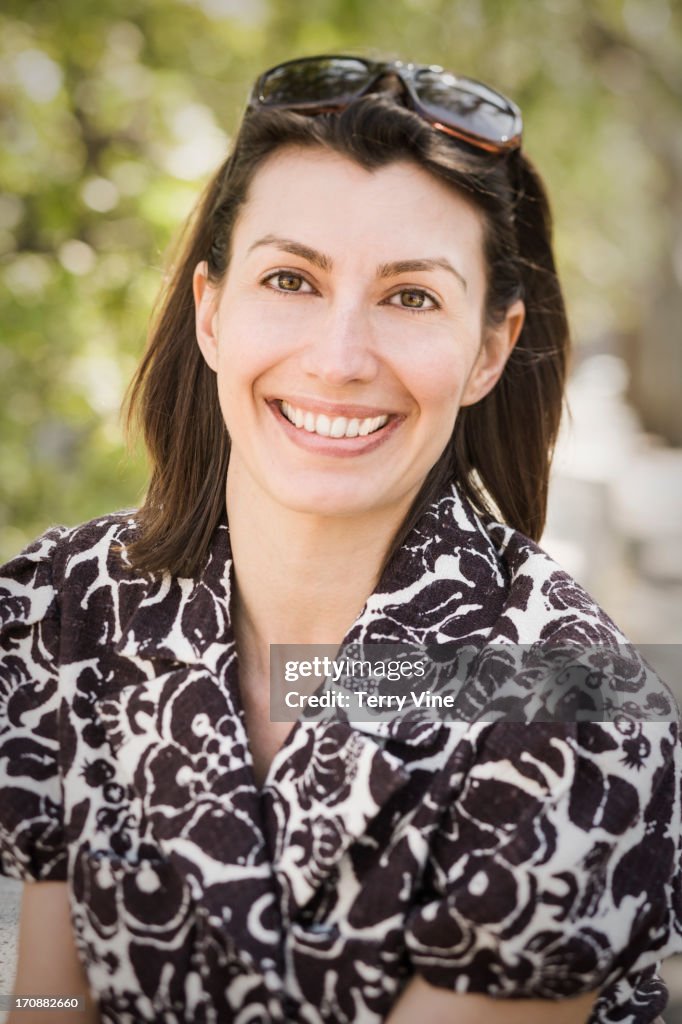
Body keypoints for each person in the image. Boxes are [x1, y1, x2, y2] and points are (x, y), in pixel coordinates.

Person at [0, 55, 679, 1024]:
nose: (339, 357)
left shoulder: (570, 701)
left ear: (488, 348)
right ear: (211, 309)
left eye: (410, 296)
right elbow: (44, 999)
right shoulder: (72, 607)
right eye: (290, 278)